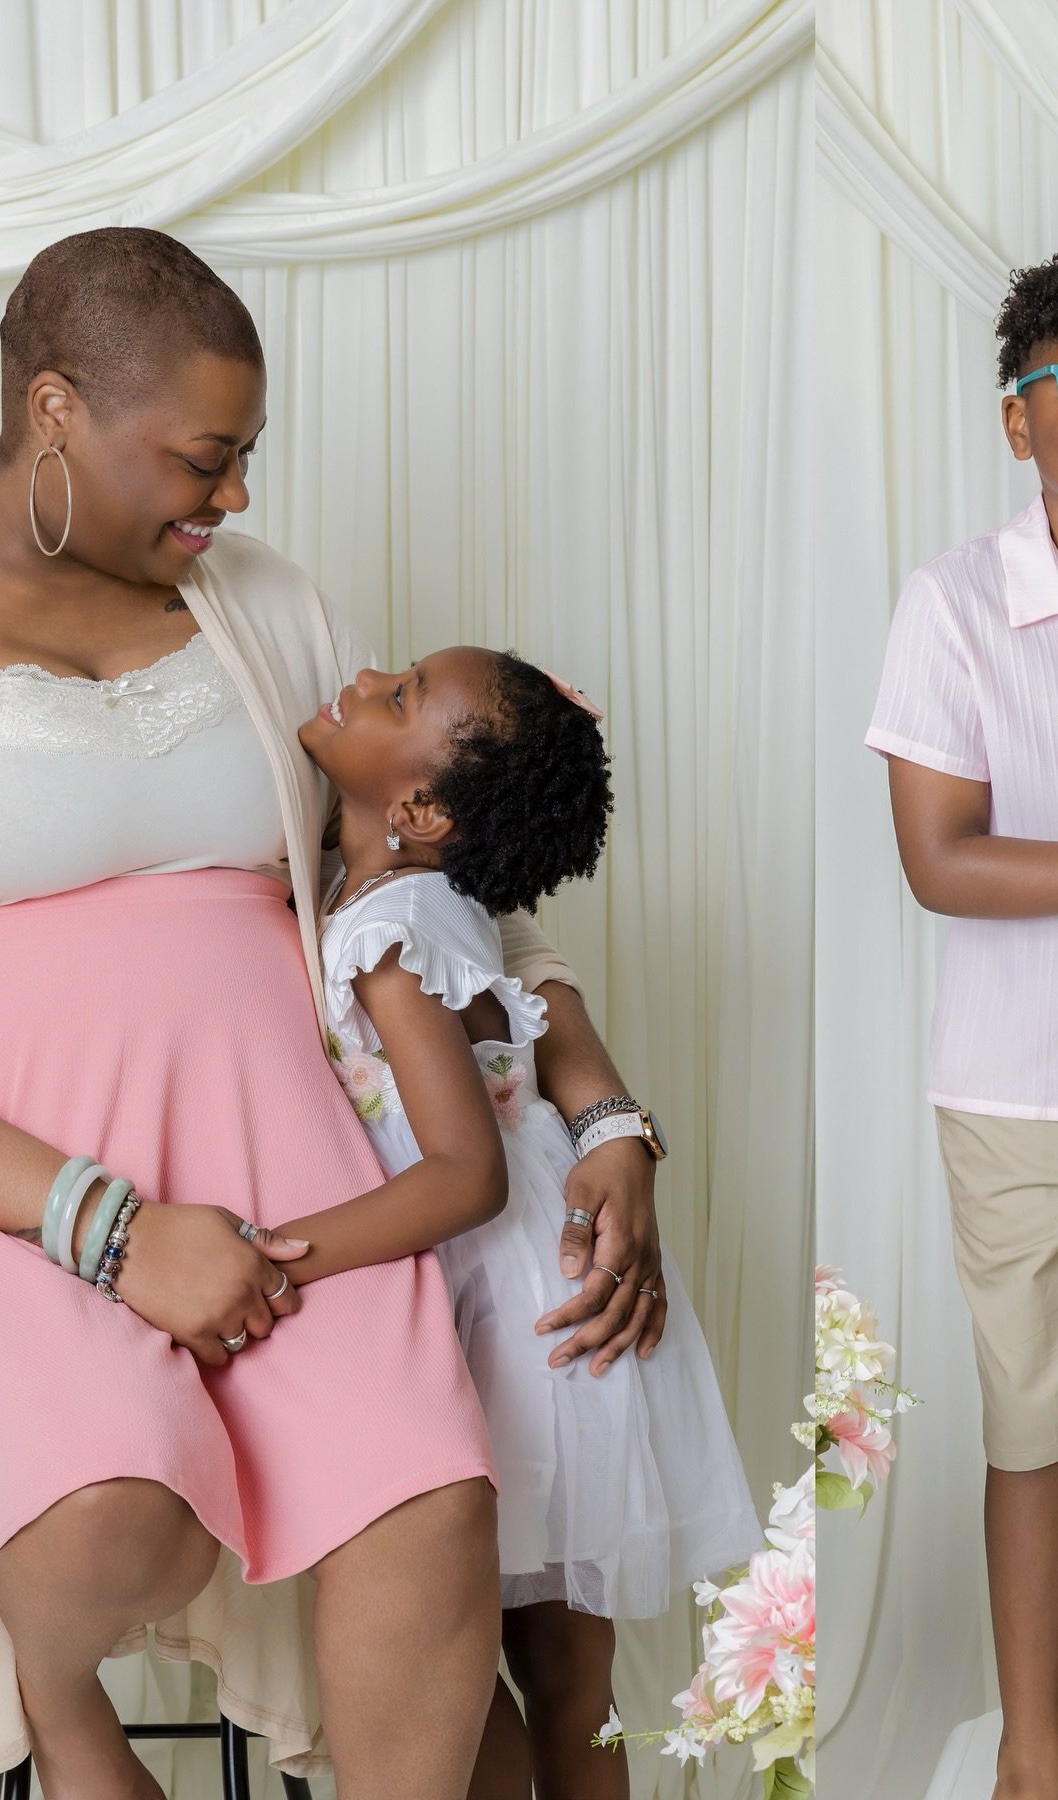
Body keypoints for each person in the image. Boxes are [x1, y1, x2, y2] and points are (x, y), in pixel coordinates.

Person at [0, 228, 671, 1800]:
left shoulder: (263, 607)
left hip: (303, 1177)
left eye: (246, 458)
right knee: (116, 1519)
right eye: (205, 459)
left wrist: (604, 1109)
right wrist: (110, 1227)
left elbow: (447, 886)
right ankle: (57, 1704)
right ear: (57, 410)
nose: (235, 500)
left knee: (430, 1508)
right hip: (5, 1197)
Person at [295, 647, 759, 1800]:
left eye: (400, 693)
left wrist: (278, 1253)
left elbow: (465, 1178)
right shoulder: (419, 900)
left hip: (518, 1315)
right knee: (561, 1677)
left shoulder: (392, 933)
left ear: (420, 810)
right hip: (524, 1294)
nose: (364, 674)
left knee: (500, 1662)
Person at [867, 253, 1058, 1800]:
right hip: (1021, 1096)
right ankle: (1033, 1757)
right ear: (1017, 418)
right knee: (1033, 1431)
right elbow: (943, 859)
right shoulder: (956, 603)